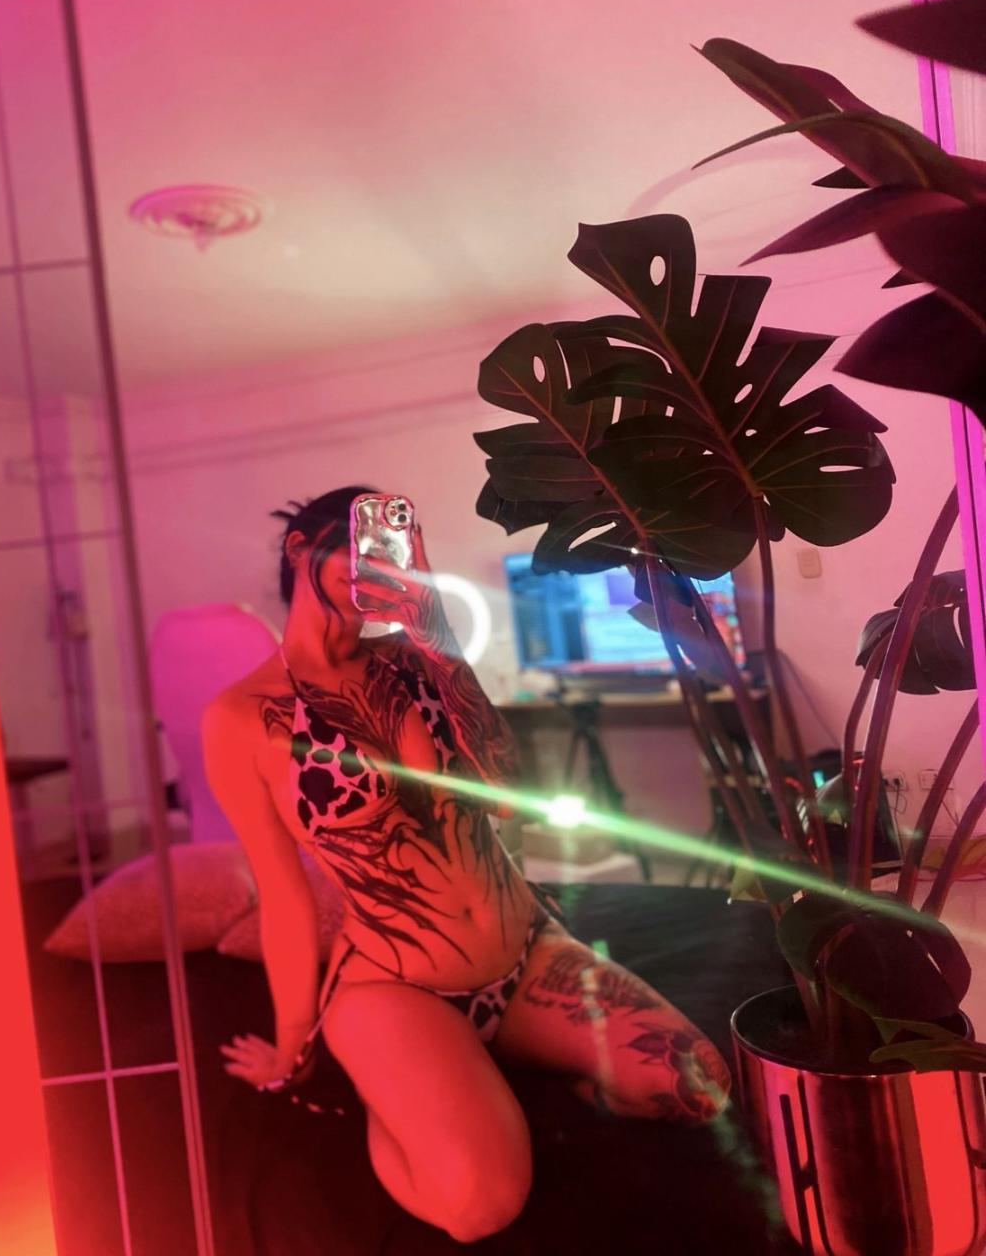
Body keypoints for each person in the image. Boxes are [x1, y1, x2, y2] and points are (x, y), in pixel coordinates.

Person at [202, 487, 731, 1245]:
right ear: (299, 549)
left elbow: (509, 799)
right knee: (478, 1206)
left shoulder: (417, 661)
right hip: (396, 986)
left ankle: (491, 1065)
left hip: (527, 953)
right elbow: (283, 895)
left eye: (392, 546)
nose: (372, 561)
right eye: (356, 540)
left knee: (700, 1086)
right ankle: (393, 1091)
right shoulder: (240, 717)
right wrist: (293, 1050)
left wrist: (438, 637)